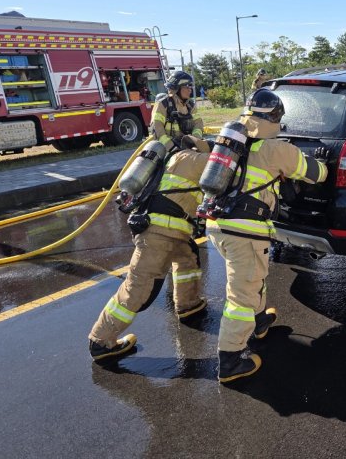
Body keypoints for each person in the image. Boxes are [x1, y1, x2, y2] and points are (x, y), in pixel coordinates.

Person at [205, 88, 329, 383]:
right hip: (245, 231)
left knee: (252, 277)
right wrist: (322, 160)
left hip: (218, 225)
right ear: (275, 117)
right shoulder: (277, 149)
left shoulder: (233, 140)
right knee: (242, 294)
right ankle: (230, 361)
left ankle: (259, 322)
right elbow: (318, 174)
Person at [88, 137, 211, 362]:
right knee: (138, 289)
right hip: (159, 234)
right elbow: (230, 176)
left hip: (173, 231)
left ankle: (188, 304)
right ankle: (100, 341)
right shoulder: (198, 159)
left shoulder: (173, 158)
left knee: (188, 260)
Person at [151, 71, 204, 152]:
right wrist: (172, 147)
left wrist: (194, 140)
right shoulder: (163, 105)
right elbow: (158, 130)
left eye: (190, 87)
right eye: (187, 86)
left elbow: (198, 123)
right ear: (177, 88)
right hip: (167, 148)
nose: (190, 90)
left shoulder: (190, 105)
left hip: (187, 146)